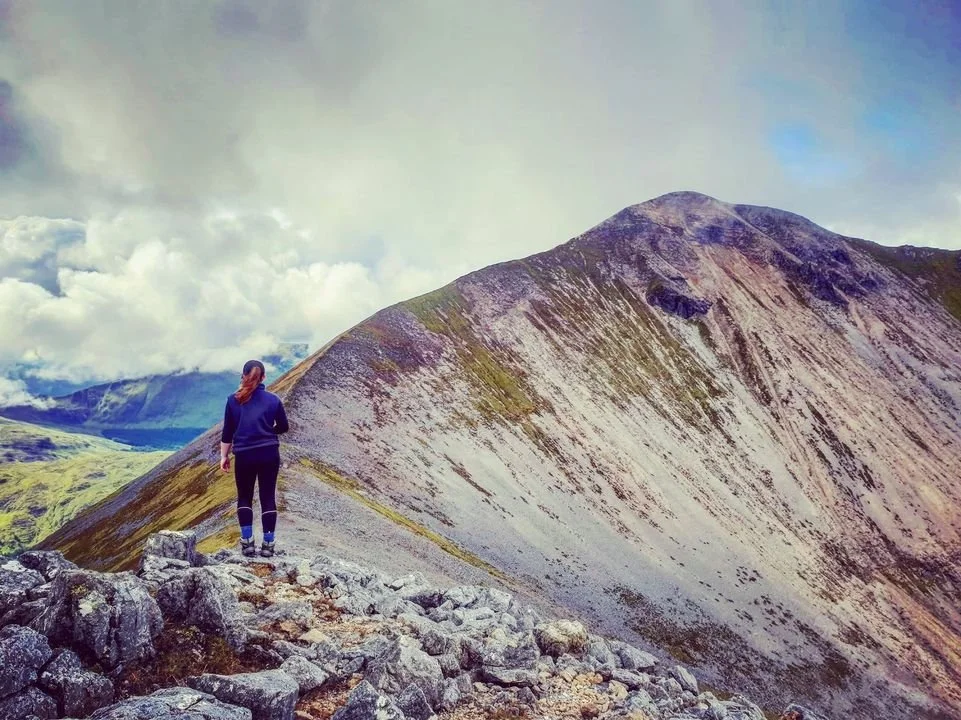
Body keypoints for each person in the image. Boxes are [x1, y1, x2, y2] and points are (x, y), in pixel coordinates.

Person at [220, 359, 289, 557]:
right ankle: (268, 545)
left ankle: (247, 543)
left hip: (244, 455)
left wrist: (224, 456)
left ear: (243, 376)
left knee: (244, 496)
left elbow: (227, 432)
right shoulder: (273, 400)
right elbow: (284, 427)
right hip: (269, 453)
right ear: (264, 377)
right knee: (268, 497)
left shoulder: (233, 400)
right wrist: (268, 431)